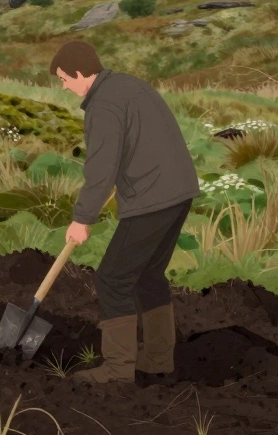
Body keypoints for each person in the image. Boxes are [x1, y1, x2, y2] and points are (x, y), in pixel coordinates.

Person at [52, 40, 200, 384]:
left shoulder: (102, 105)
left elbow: (101, 168)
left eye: (63, 79)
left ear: (79, 73)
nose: (63, 86)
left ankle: (118, 368)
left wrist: (82, 218)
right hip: (179, 191)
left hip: (153, 196)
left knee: (113, 278)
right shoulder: (127, 86)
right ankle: (158, 358)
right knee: (148, 275)